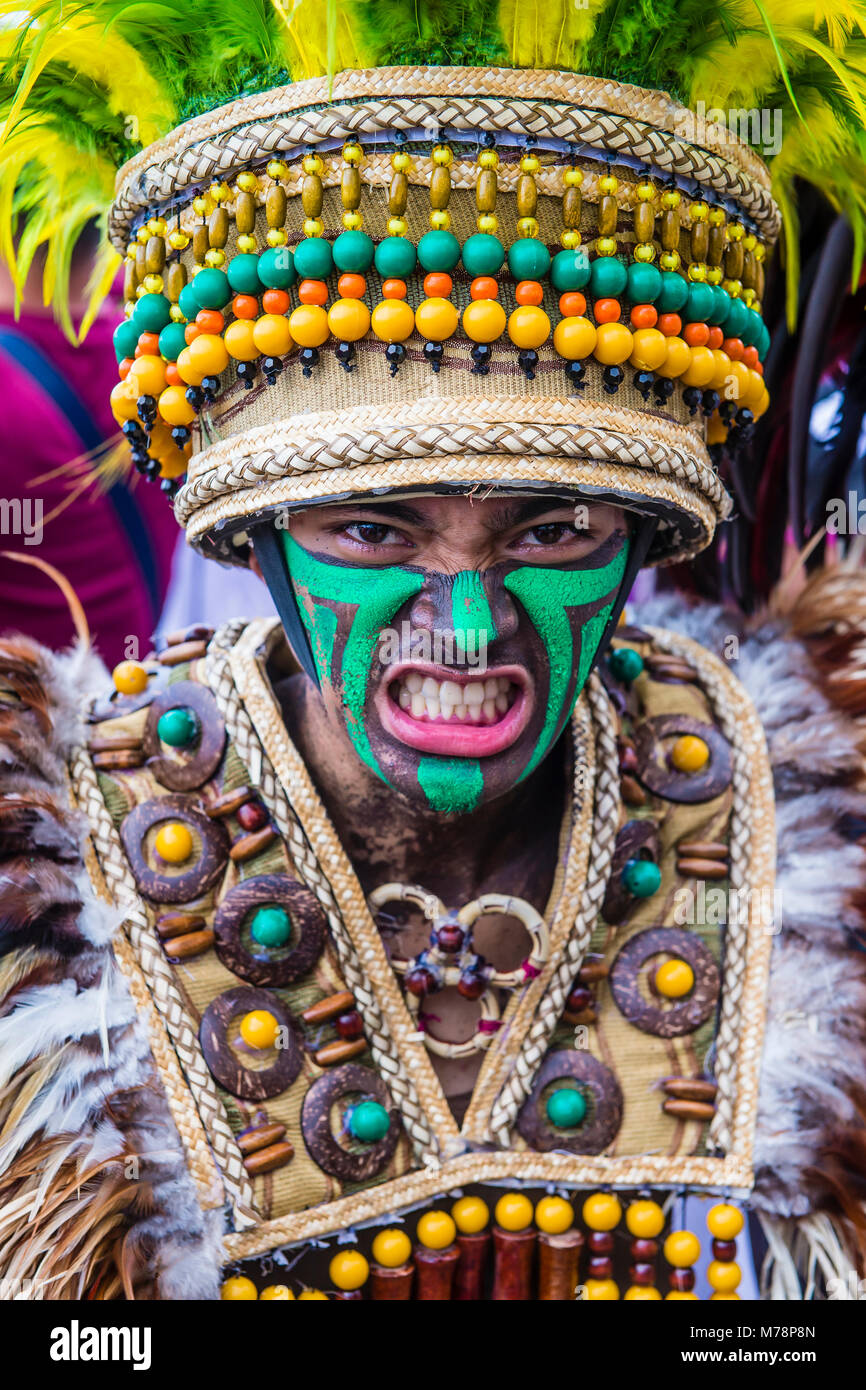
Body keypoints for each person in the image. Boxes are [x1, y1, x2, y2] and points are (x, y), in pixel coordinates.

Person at [1, 0, 865, 1303]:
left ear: (642, 533)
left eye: (552, 525)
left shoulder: (820, 814)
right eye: (375, 525)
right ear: (258, 536)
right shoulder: (50, 862)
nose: (466, 627)